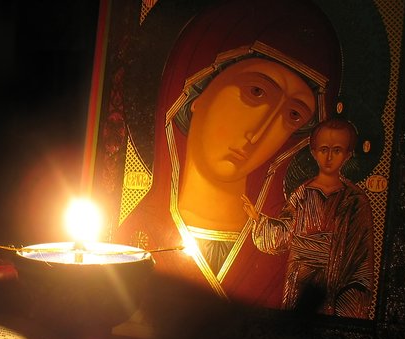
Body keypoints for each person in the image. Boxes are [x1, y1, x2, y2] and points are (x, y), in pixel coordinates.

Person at [113, 0, 344, 309]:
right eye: (256, 92)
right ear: (195, 90)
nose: (260, 133)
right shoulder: (128, 242)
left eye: (292, 115)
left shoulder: (293, 259)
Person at [242, 117, 373, 318]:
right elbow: (285, 233)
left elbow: (360, 254)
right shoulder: (301, 194)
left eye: (336, 150)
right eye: (323, 150)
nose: (329, 157)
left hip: (335, 277)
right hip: (299, 278)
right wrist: (259, 220)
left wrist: (350, 303)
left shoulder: (355, 199)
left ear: (347, 155)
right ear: (314, 153)